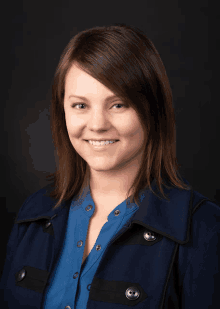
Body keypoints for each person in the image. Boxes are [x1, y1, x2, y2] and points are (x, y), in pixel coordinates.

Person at [1, 23, 220, 309]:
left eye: (118, 105)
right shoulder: (33, 215)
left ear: (152, 111)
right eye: (81, 105)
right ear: (62, 112)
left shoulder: (204, 228)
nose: (97, 125)